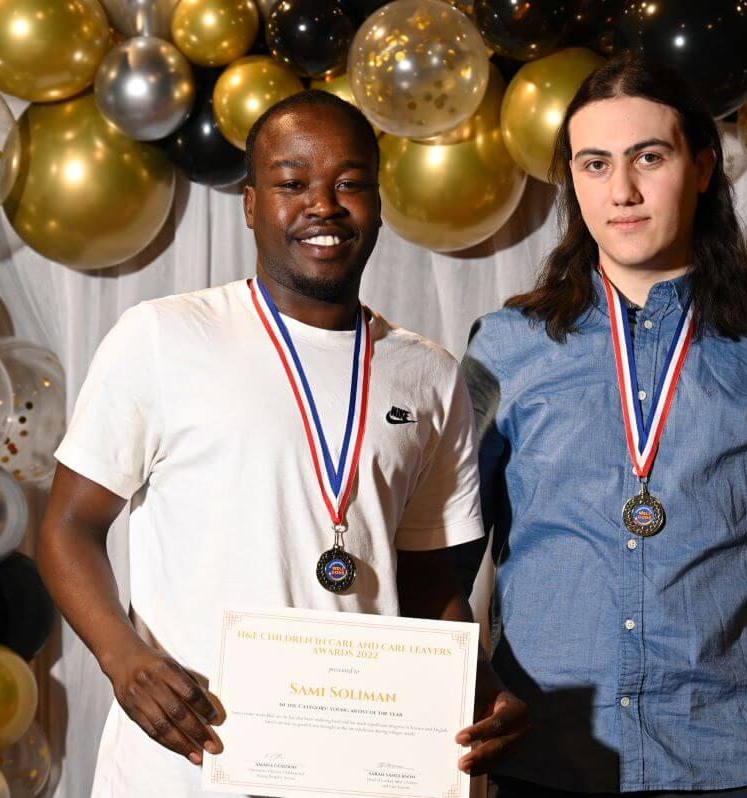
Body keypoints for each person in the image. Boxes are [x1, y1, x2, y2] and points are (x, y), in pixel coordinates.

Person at [37, 90, 528, 797]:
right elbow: (68, 526)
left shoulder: (428, 373)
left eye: (349, 183)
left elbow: (426, 582)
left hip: (358, 769)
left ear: (379, 202)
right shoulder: (163, 336)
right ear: (251, 203)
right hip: (190, 759)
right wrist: (124, 659)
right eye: (292, 183)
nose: (322, 206)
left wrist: (480, 687)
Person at [460, 56, 747, 798]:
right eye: (595, 164)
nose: (621, 191)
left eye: (649, 157)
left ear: (702, 167)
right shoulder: (505, 348)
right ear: (573, 181)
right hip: (548, 758)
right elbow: (447, 550)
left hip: (733, 761)